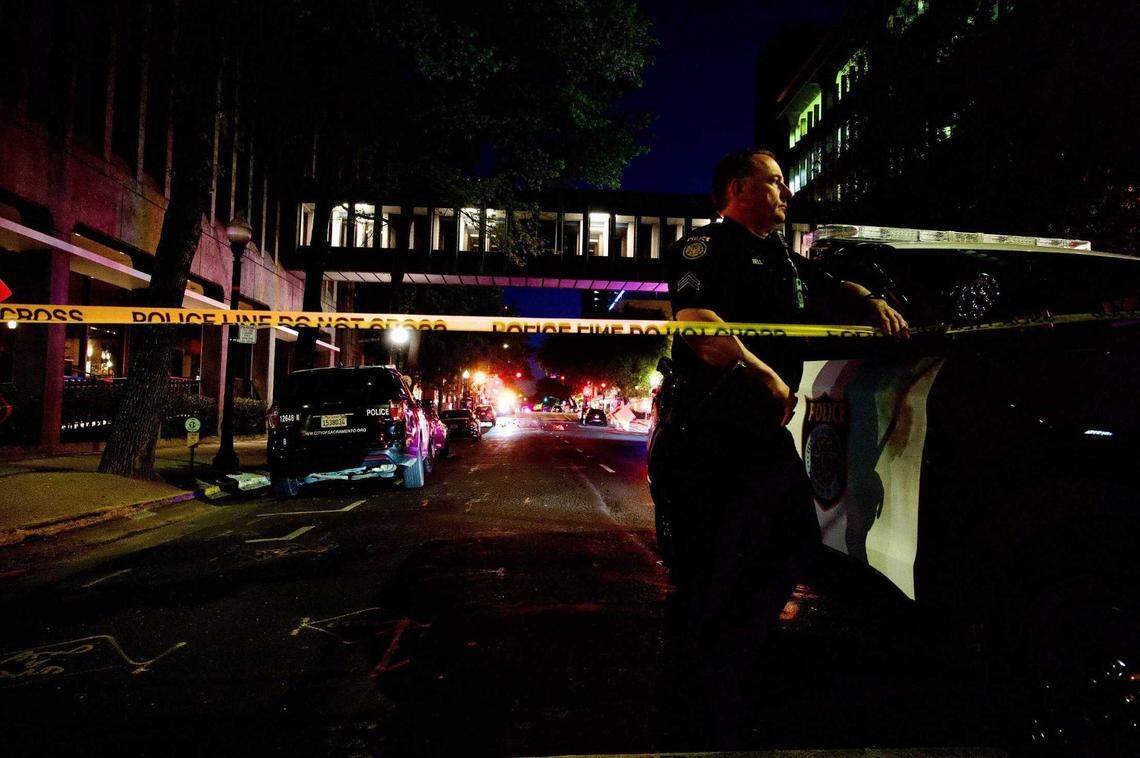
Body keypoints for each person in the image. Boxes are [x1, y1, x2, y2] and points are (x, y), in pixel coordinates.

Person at [649, 148, 908, 748]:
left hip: (759, 437)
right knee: (707, 570)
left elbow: (828, 285)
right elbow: (696, 320)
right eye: (774, 182)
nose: (786, 192)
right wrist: (760, 372)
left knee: (789, 540)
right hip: (707, 435)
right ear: (739, 189)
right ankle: (694, 711)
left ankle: (733, 671)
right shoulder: (703, 247)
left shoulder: (781, 257)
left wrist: (868, 301)